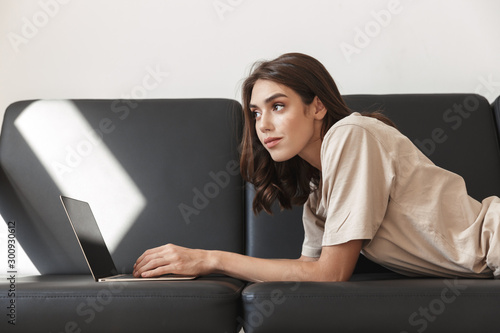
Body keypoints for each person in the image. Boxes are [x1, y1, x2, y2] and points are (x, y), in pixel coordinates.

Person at [133, 53, 500, 282]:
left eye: (278, 106)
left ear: (318, 107)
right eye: (256, 113)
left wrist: (209, 259)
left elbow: (331, 273)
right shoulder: (319, 198)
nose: (262, 124)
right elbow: (309, 270)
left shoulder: (350, 134)